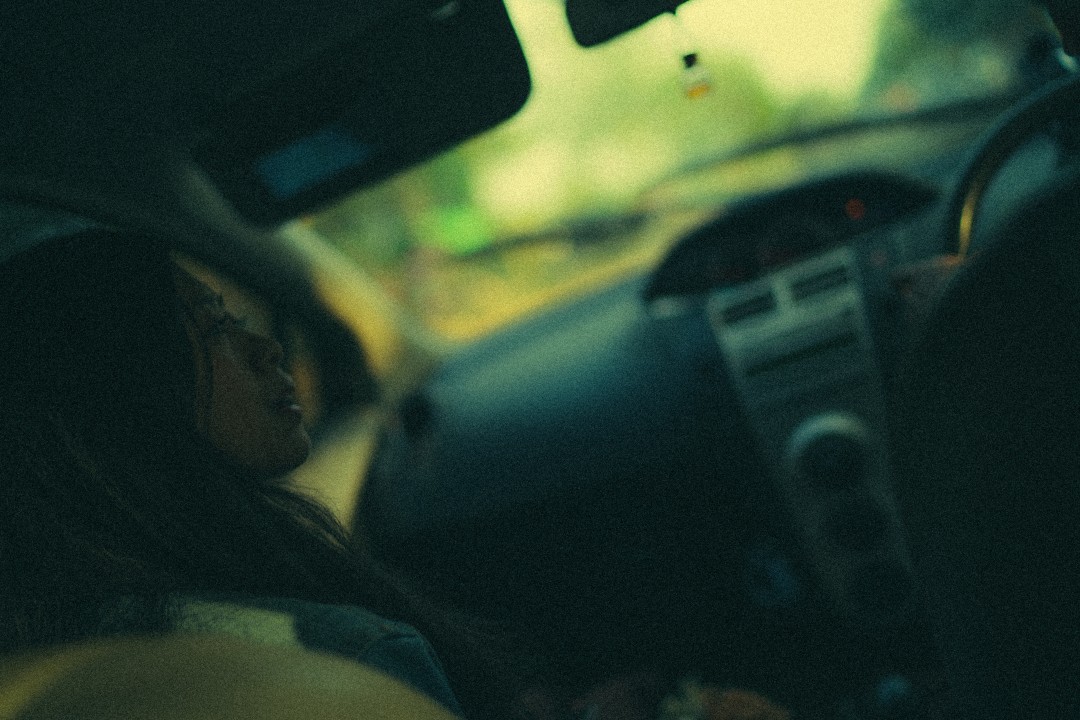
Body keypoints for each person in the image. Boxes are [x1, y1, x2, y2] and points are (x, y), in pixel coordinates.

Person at [0, 227, 525, 720]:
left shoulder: (45, 657)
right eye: (217, 329)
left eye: (239, 321)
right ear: (129, 397)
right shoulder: (343, 658)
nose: (267, 349)